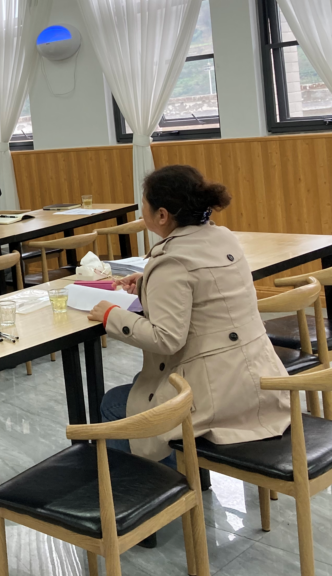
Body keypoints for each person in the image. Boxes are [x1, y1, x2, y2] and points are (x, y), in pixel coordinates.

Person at [89, 164, 290, 465]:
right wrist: (148, 283)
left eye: (143, 203)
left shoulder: (172, 260)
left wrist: (111, 315)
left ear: (162, 215)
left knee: (115, 404)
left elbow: (166, 339)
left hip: (220, 395)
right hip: (257, 376)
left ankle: (158, 487)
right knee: (143, 382)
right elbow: (204, 290)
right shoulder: (223, 237)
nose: (141, 209)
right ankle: (181, 477)